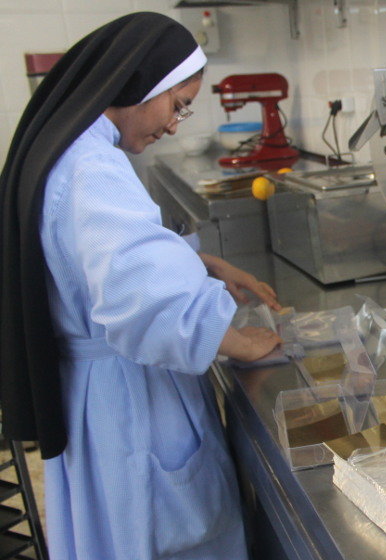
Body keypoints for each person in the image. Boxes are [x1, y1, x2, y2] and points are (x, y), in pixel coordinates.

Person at [0, 12, 282, 559]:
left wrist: (202, 263)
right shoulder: (93, 168)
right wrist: (242, 342)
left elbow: (91, 262)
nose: (175, 125)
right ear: (141, 87)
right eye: (177, 105)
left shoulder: (69, 148)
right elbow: (148, 298)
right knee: (161, 533)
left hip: (93, 394)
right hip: (128, 403)